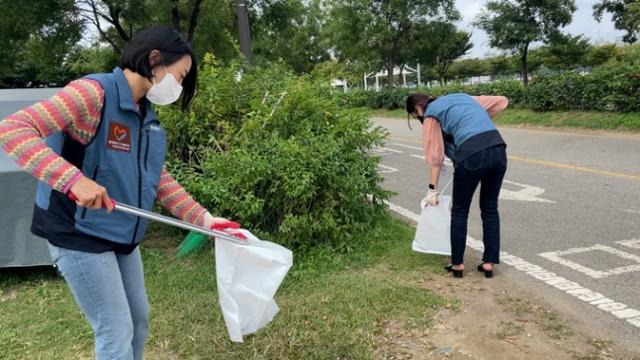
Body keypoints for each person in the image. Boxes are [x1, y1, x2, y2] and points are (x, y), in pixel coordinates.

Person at [0, 26, 237, 359]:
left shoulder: (147, 119)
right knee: (115, 330)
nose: (178, 87)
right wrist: (73, 180)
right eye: (179, 76)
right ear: (155, 59)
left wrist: (206, 220)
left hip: (119, 234)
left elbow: (158, 180)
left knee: (138, 323)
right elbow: (13, 129)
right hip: (77, 232)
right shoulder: (93, 94)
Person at [406, 93, 509, 279]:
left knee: (460, 211)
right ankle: (488, 263)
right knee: (490, 208)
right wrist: (471, 120)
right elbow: (501, 102)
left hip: (471, 154)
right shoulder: (463, 97)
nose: (419, 118)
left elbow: (435, 158)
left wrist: (432, 190)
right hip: (498, 149)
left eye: (416, 116)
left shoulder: (431, 113)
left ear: (418, 109)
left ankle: (458, 264)